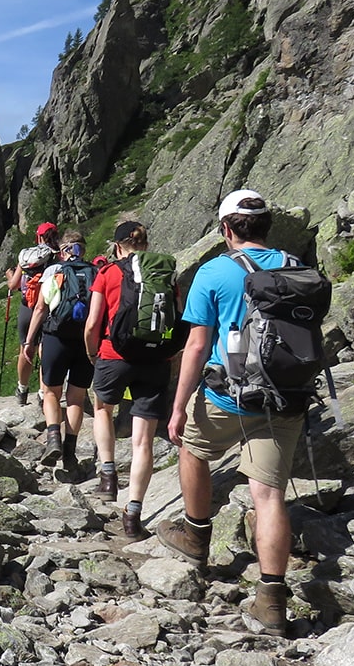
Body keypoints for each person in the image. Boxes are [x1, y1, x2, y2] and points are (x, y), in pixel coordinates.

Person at [156, 189, 306, 636]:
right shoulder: (297, 267)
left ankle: (196, 535)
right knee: (269, 495)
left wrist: (178, 407)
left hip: (229, 396)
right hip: (285, 396)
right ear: (267, 226)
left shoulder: (215, 272)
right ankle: (272, 601)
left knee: (193, 449)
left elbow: (198, 346)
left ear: (226, 229)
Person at [83, 221, 174, 539]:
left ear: (118, 246)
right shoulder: (163, 271)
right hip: (155, 359)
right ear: (145, 244)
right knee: (143, 442)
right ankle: (133, 516)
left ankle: (108, 475)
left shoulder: (107, 273)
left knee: (102, 408)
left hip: (113, 354)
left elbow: (93, 322)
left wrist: (93, 353)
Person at [24, 231, 96, 474]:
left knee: (51, 392)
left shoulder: (53, 271)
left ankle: (53, 437)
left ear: (63, 250)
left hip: (56, 338)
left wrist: (29, 341)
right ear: (82, 250)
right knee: (76, 398)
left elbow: (41, 309)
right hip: (85, 342)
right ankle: (70, 452)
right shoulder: (95, 272)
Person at [5, 222, 59, 405]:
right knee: (46, 349)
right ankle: (43, 393)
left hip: (27, 307)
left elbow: (13, 285)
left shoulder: (28, 255)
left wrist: (9, 275)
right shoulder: (58, 256)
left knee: (26, 348)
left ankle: (22, 389)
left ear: (38, 236)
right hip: (50, 307)